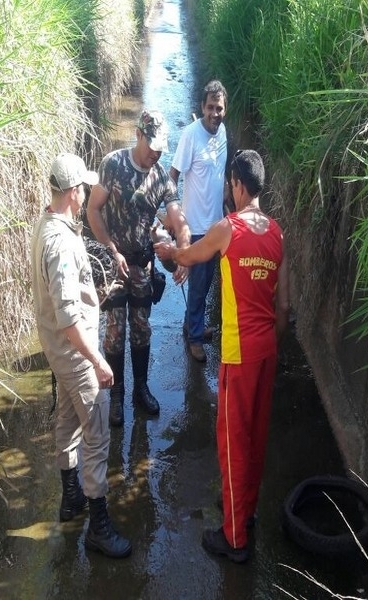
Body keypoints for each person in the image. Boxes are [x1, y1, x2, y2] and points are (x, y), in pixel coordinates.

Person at [154, 149, 290, 564]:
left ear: (236, 185)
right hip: (266, 348)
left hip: (237, 352)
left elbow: (189, 257)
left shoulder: (227, 229)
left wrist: (167, 251)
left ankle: (234, 540)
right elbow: (284, 307)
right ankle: (244, 513)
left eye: (230, 184)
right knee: (255, 436)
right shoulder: (277, 233)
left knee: (231, 442)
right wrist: (269, 339)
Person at [30, 153, 131, 558]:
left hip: (60, 350)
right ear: (73, 193)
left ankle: (70, 499)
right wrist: (98, 361)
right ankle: (98, 526)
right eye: (83, 188)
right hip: (75, 352)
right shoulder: (60, 243)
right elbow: (69, 316)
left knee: (69, 420)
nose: (87, 192)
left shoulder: (47, 226)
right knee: (96, 434)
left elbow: (67, 300)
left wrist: (97, 295)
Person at [87, 109, 191, 427]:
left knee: (142, 328)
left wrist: (183, 250)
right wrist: (110, 249)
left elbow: (177, 218)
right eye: (152, 145)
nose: (156, 152)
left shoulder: (160, 176)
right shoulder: (113, 165)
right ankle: (117, 395)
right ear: (139, 135)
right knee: (115, 331)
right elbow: (93, 209)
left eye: (161, 147)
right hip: (113, 264)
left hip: (142, 264)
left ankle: (140, 389)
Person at [169, 80, 228, 363]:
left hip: (217, 225)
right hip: (195, 228)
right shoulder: (190, 135)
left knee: (204, 285)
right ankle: (194, 338)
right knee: (197, 285)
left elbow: (220, 177)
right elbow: (172, 175)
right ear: (201, 108)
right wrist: (174, 214)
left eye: (219, 108)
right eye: (210, 108)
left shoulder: (223, 132)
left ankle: (191, 325)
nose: (214, 113)